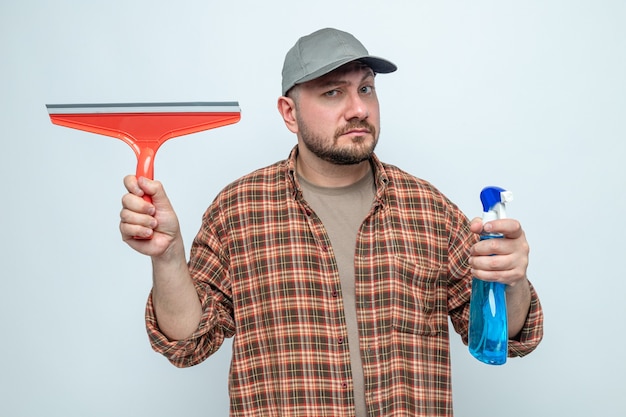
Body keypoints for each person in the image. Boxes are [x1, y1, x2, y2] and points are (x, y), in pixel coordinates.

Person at [120, 28, 543, 417]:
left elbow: (502, 336)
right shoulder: (238, 210)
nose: (358, 108)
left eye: (366, 89)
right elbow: (188, 344)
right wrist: (169, 258)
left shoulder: (429, 209)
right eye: (332, 93)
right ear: (289, 113)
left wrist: (513, 279)